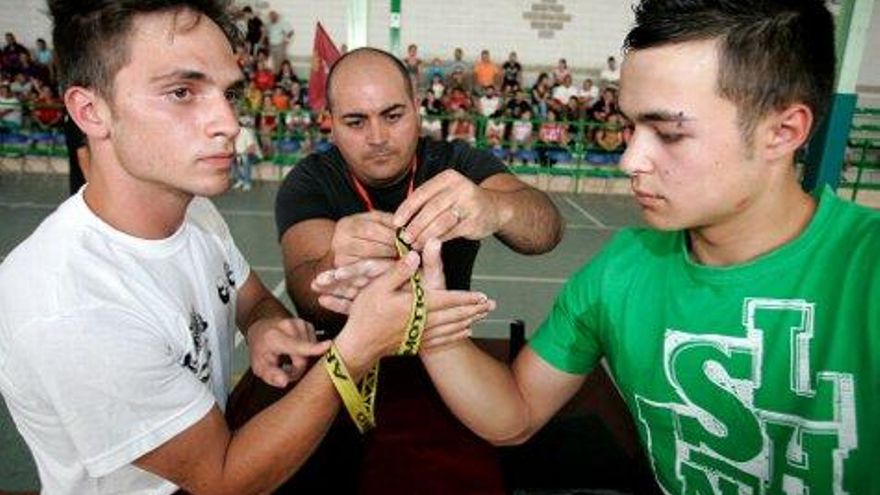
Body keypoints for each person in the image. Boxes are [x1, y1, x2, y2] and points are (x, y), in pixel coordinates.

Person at [352, 0, 878, 493]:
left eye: (668, 133)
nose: (630, 161)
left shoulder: (865, 271)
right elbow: (513, 415)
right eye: (630, 127)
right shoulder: (619, 274)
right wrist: (426, 313)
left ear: (783, 131)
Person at [0, 2, 487, 494]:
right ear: (90, 111)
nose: (229, 123)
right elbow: (223, 481)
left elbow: (251, 299)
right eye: (182, 92)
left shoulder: (194, 214)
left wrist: (264, 328)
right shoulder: (68, 305)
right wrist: (358, 344)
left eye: (229, 92)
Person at [259, 47, 563, 493]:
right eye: (356, 121)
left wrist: (494, 208)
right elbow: (309, 297)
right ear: (331, 122)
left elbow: (546, 231)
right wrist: (332, 263)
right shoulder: (310, 180)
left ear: (418, 109)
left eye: (393, 114)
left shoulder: (459, 163)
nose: (378, 136)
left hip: (447, 360)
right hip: (348, 366)